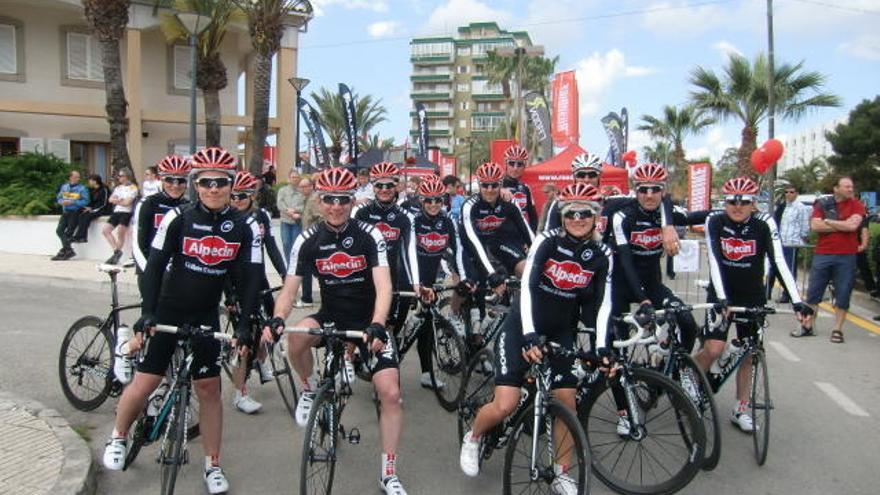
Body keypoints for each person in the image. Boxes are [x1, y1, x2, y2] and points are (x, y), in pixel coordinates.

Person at [102, 147, 263, 494]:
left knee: (208, 390)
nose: (213, 188)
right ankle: (117, 436)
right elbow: (155, 264)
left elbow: (251, 276)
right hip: (169, 308)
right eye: (205, 182)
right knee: (146, 381)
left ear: (231, 184)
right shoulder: (179, 218)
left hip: (206, 313)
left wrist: (245, 324)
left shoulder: (245, 225)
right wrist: (148, 311)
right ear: (196, 184)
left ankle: (213, 464)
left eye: (221, 182)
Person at [459, 183, 613, 495]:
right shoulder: (547, 241)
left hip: (560, 331)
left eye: (586, 212)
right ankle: (473, 436)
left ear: (596, 216)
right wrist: (529, 335)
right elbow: (527, 288)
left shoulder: (602, 253)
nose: (578, 218)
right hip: (522, 325)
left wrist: (602, 347)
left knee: (566, 402)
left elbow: (604, 303)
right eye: (571, 212)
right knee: (505, 405)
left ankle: (561, 471)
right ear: (562, 214)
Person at [264, 167, 408, 495]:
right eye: (329, 199)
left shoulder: (369, 235)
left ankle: (388, 471)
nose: (336, 206)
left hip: (367, 320)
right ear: (319, 199)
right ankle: (310, 386)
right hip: (330, 316)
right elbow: (288, 290)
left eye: (342, 199)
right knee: (296, 336)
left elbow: (384, 286)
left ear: (352, 200)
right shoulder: (307, 239)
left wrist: (378, 324)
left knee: (390, 393)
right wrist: (277, 317)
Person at [695, 177, 812, 431]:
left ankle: (741, 409)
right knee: (713, 349)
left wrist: (797, 301)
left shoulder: (764, 223)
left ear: (754, 203)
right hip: (722, 293)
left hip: (752, 296)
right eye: (732, 201)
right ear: (724, 202)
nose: (737, 206)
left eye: (744, 201)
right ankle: (691, 382)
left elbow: (779, 260)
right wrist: (722, 298)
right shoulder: (715, 220)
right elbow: (714, 258)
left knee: (748, 355)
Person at [608, 163, 703, 357]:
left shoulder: (668, 213)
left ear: (663, 191)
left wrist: (735, 210)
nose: (649, 195)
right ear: (636, 190)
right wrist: (643, 300)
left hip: (652, 285)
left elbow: (697, 216)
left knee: (687, 322)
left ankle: (671, 368)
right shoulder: (623, 216)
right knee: (618, 347)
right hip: (622, 285)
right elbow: (626, 261)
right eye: (643, 189)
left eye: (655, 189)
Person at [228, 171, 288, 414]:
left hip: (258, 278)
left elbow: (271, 246)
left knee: (272, 324)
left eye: (242, 196)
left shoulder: (261, 215)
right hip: (234, 283)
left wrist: (285, 274)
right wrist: (229, 294)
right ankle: (239, 393)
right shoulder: (226, 218)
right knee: (245, 338)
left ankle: (262, 360)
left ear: (252, 194)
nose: (237, 200)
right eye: (233, 196)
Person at [411, 177, 470, 388]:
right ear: (421, 201)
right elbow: (408, 253)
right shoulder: (414, 221)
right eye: (428, 200)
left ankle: (427, 373)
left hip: (433, 279)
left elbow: (457, 251)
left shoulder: (447, 222)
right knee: (397, 324)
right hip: (413, 277)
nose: (434, 204)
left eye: (438, 199)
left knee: (427, 325)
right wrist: (415, 282)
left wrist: (460, 276)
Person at [353, 163, 421, 343]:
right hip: (364, 276)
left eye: (389, 185)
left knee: (390, 324)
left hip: (392, 275)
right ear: (373, 187)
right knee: (360, 325)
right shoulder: (360, 213)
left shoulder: (405, 217)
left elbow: (409, 251)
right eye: (379, 185)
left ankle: (391, 341)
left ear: (396, 186)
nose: (384, 189)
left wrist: (415, 283)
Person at [795, 176, 866, 343]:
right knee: (813, 293)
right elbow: (815, 226)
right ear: (836, 188)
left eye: (851, 186)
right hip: (823, 254)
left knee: (843, 293)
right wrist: (841, 224)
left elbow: (853, 226)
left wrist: (828, 221)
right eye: (847, 186)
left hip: (846, 256)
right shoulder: (823, 204)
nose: (850, 189)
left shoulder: (857, 204)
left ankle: (837, 329)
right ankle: (808, 325)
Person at [460, 161, 534, 283]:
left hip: (496, 243)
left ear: (500, 184)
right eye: (485, 185)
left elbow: (526, 230)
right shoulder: (470, 205)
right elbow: (473, 240)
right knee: (468, 286)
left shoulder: (509, 200)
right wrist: (491, 273)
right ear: (479, 185)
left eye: (494, 185)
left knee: (527, 270)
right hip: (470, 245)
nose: (489, 190)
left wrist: (538, 256)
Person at [131, 156, 191, 296]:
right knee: (154, 316)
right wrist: (150, 274)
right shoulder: (148, 204)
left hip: (178, 273)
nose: (175, 185)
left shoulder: (189, 206)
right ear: (162, 180)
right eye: (170, 180)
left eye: (180, 180)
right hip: (151, 268)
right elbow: (137, 244)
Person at [767, 185, 811, 302]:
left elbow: (804, 227)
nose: (788, 194)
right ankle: (767, 291)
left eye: (791, 192)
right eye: (786, 192)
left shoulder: (801, 208)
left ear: (796, 193)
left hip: (792, 244)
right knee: (773, 267)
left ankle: (788, 294)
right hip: (779, 243)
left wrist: (803, 240)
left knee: (789, 269)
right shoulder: (782, 206)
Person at [102, 168, 138, 265]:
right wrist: (120, 200)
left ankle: (116, 255)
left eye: (121, 176)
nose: (119, 178)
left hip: (126, 213)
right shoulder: (118, 188)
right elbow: (110, 199)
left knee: (120, 233)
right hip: (117, 212)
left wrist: (117, 200)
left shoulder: (133, 188)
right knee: (105, 230)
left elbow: (127, 203)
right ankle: (116, 251)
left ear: (127, 177)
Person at [52, 170, 89, 260]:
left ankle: (64, 252)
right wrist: (62, 202)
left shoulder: (82, 188)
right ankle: (68, 250)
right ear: (70, 177)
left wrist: (73, 202)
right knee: (59, 231)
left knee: (68, 233)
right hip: (65, 212)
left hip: (75, 213)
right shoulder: (64, 187)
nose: (78, 179)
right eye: (76, 177)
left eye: (79, 177)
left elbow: (86, 201)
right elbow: (59, 198)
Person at [500, 144, 539, 232]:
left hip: (520, 238)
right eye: (511, 163)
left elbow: (533, 217)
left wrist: (531, 239)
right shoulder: (496, 186)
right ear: (505, 164)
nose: (515, 168)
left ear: (524, 166)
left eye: (519, 164)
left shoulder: (525, 188)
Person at [71, 174, 111, 243]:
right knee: (79, 212)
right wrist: (88, 207)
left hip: (102, 209)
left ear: (95, 181)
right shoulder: (92, 190)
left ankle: (81, 236)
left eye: (90, 180)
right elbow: (91, 201)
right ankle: (73, 233)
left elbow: (104, 203)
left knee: (86, 216)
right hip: (93, 208)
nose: (89, 182)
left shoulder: (104, 189)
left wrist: (92, 209)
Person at [277, 168, 305, 265]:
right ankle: (289, 264)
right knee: (286, 243)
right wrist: (288, 211)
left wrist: (295, 210)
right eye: (293, 177)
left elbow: (305, 205)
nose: (295, 179)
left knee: (295, 244)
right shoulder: (282, 190)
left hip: (297, 222)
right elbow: (279, 203)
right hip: (285, 221)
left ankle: (295, 264)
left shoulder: (303, 191)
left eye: (297, 177)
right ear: (289, 178)